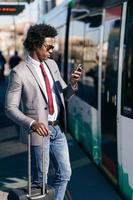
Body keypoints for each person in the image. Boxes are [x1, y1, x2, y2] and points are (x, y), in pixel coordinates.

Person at [5, 24, 82, 200]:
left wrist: (73, 84)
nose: (52, 50)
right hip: (40, 132)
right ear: (36, 45)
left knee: (65, 173)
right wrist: (32, 123)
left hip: (58, 129)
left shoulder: (52, 64)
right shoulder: (19, 73)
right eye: (49, 46)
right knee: (41, 180)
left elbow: (65, 95)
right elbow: (10, 108)